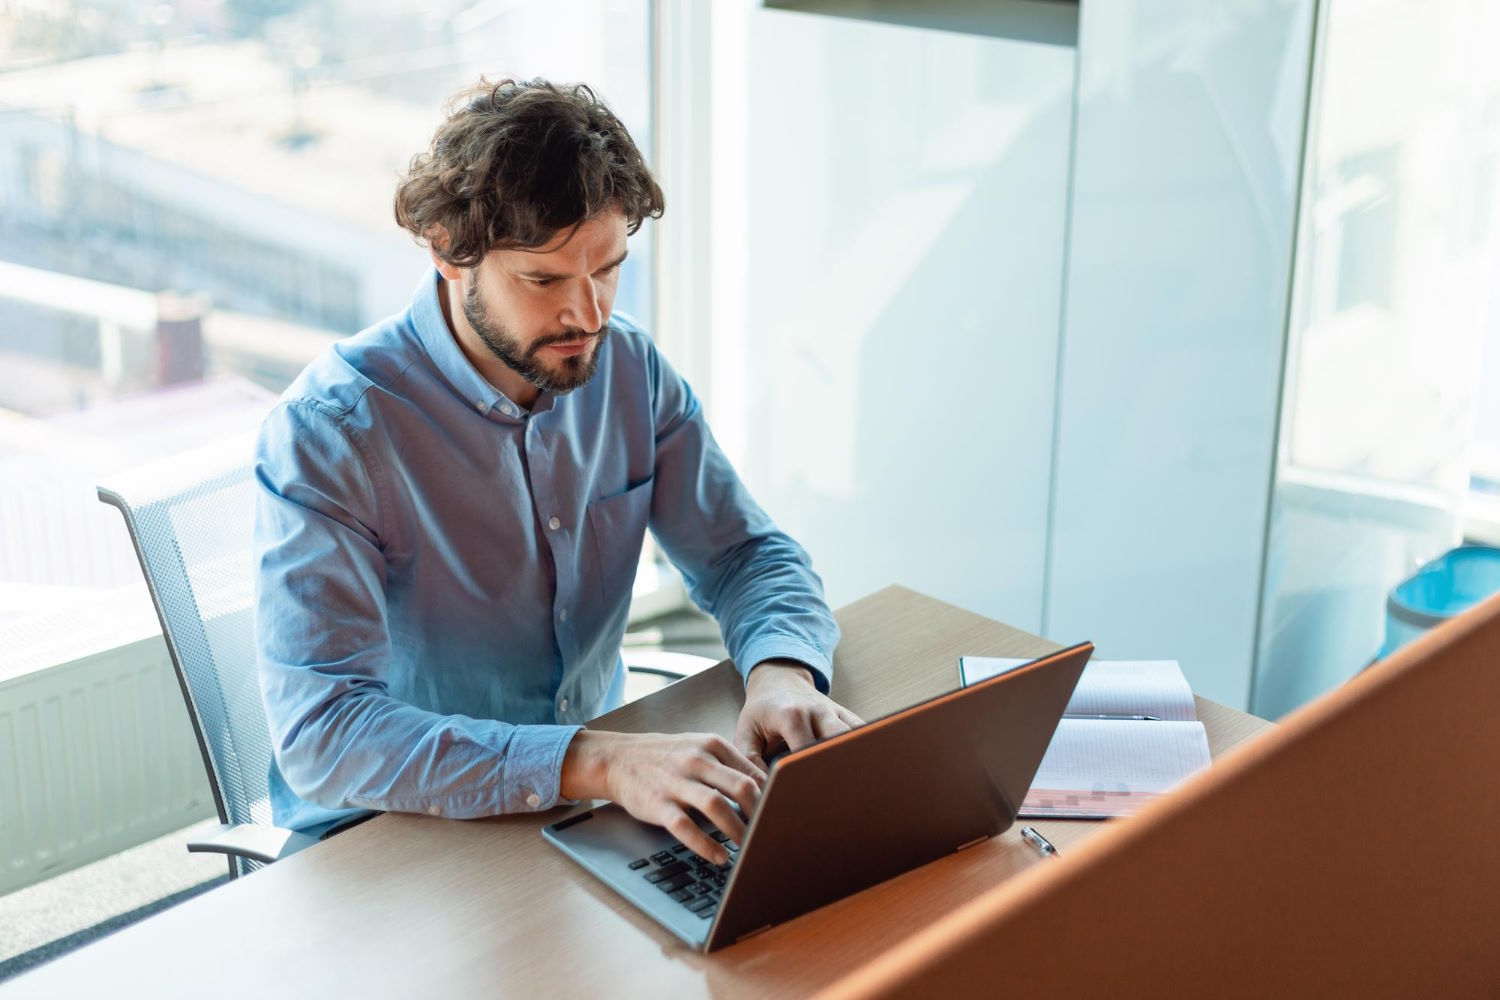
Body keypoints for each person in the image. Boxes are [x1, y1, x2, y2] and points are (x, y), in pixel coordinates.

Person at [253, 78, 861, 864]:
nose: (590, 314)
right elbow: (323, 732)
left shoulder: (628, 369)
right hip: (390, 840)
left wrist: (783, 675)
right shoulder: (329, 434)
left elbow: (746, 555)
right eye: (544, 280)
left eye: (607, 269)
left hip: (582, 815)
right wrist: (601, 760)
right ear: (446, 251)